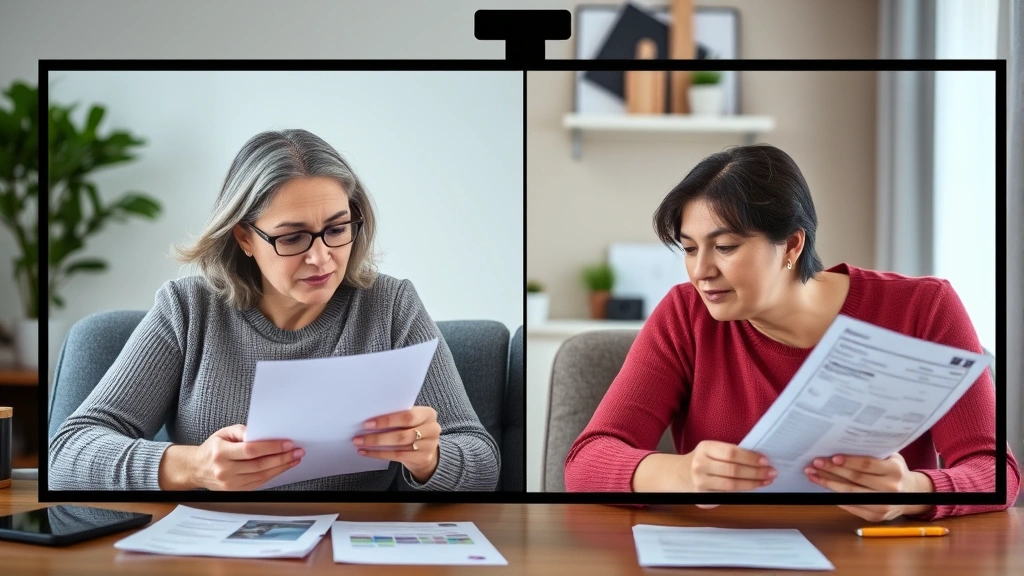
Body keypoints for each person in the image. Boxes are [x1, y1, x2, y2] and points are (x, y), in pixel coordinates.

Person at [564, 144, 1019, 521]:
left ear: (793, 245)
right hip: (726, 556)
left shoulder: (924, 309)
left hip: (878, 555)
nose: (700, 271)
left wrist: (913, 489)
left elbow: (996, 472)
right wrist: (680, 475)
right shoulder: (684, 316)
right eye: (688, 249)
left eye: (724, 247)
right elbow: (585, 462)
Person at [49, 129, 500, 491]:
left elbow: (481, 460)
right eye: (292, 237)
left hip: (349, 550)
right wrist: (193, 467)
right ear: (245, 238)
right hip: (212, 554)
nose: (321, 258)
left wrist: (431, 458)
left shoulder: (391, 305)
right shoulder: (188, 309)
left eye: (337, 229)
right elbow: (68, 453)